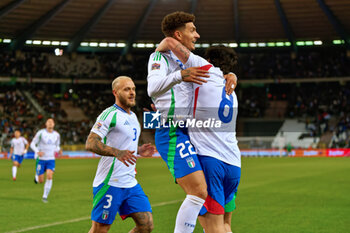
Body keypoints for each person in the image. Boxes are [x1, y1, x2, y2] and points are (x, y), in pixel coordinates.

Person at [147, 11, 237, 233]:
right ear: (179, 34)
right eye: (192, 30)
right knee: (198, 191)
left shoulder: (190, 60)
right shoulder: (158, 58)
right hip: (171, 129)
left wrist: (229, 74)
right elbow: (152, 89)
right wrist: (181, 75)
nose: (197, 35)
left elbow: (212, 76)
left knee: (203, 194)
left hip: (190, 130)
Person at [86, 76, 155, 233]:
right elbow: (91, 142)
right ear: (115, 92)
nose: (132, 93)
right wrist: (117, 152)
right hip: (110, 182)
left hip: (129, 182)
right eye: (126, 89)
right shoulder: (109, 114)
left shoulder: (132, 117)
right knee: (100, 230)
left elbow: (123, 145)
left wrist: (138, 151)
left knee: (146, 225)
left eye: (133, 89)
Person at [30, 118, 61, 203]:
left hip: (51, 159)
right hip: (41, 159)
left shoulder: (57, 135)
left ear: (54, 124)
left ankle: (45, 196)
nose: (50, 123)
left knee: (50, 176)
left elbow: (57, 146)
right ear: (46, 124)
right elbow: (32, 143)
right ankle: (37, 175)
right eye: (49, 122)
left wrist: (58, 150)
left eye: (52, 122)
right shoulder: (41, 133)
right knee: (40, 181)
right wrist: (37, 151)